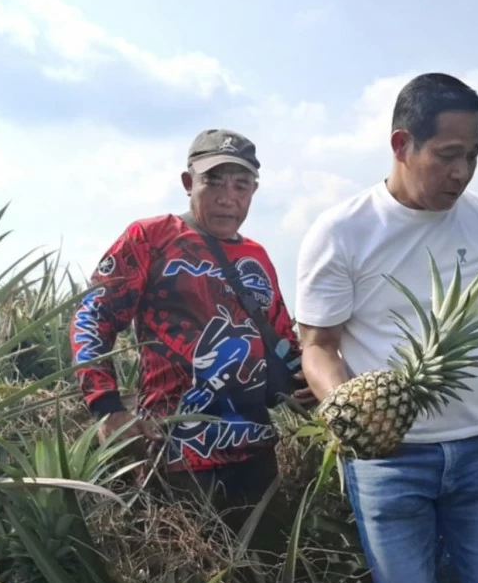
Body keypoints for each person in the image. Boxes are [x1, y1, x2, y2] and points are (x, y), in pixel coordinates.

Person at [295, 73, 478, 583]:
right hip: (387, 462)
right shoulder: (342, 230)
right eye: (448, 155)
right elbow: (318, 345)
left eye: (474, 156)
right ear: (401, 143)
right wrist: (350, 405)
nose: (462, 173)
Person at [69, 129, 309, 555]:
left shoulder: (257, 256)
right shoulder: (151, 238)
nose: (227, 197)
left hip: (256, 455)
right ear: (188, 183)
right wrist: (106, 408)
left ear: (254, 191)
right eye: (212, 181)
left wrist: (313, 384)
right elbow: (92, 316)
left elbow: (281, 338)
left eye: (241, 184)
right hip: (175, 455)